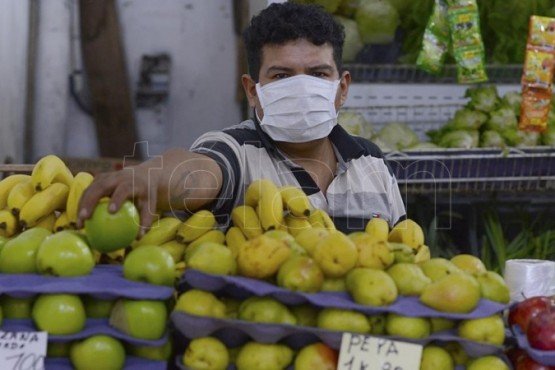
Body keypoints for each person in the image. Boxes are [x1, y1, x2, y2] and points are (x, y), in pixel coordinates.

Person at [77, 2, 406, 234]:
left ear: (342, 87)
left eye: (318, 73)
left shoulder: (371, 161)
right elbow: (197, 170)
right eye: (281, 76)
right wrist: (152, 176)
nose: (302, 88)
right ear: (252, 90)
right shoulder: (236, 151)